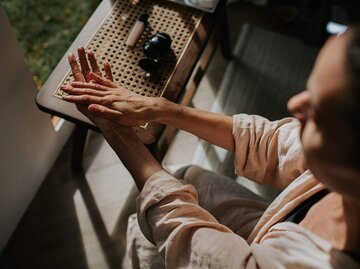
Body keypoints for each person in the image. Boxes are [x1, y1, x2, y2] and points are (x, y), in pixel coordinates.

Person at [60, 23, 360, 268]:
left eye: (318, 113)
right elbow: (272, 142)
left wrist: (120, 136)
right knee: (186, 176)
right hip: (273, 228)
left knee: (146, 231)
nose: (294, 104)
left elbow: (190, 245)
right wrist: (159, 108)